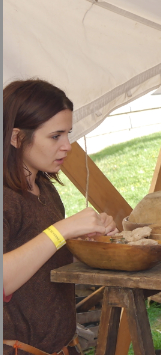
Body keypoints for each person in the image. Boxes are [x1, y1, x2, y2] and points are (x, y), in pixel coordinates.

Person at [3, 79, 118, 355]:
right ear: (17, 138)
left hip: (63, 345)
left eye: (68, 133)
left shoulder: (44, 188)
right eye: (56, 136)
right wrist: (61, 231)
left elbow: (43, 261)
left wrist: (86, 241)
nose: (67, 145)